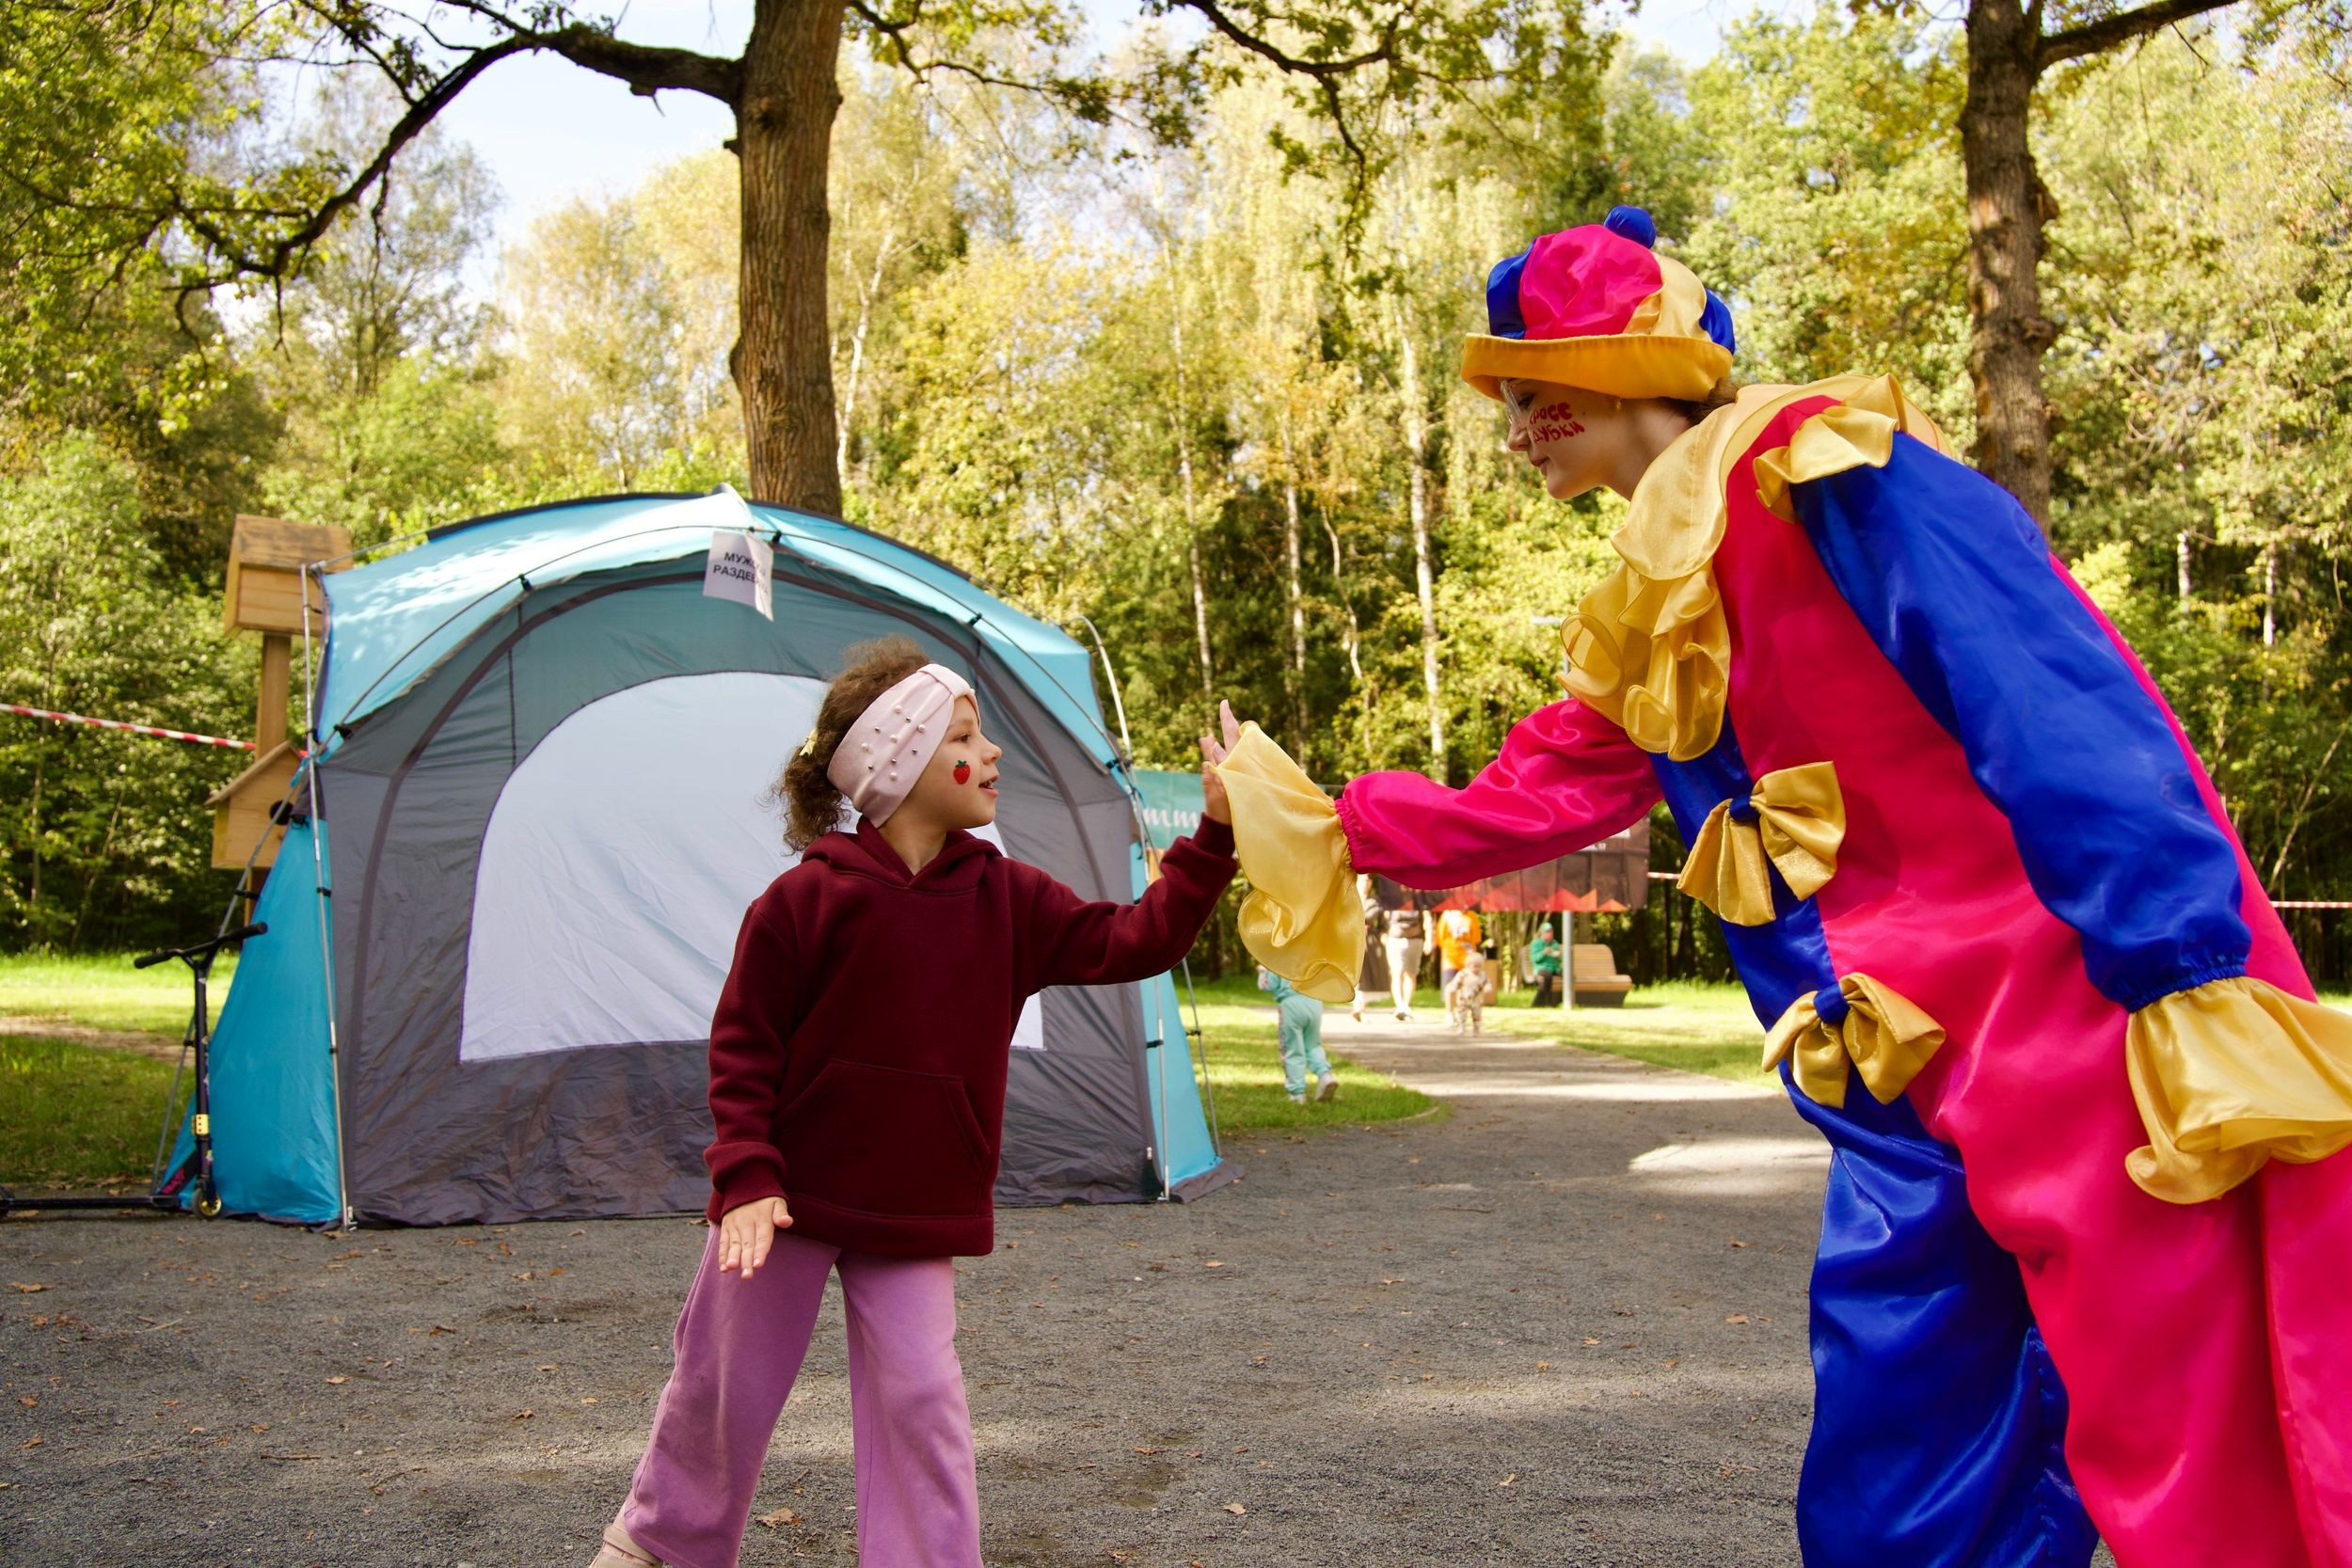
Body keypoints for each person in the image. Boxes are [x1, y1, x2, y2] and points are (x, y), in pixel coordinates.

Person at [1203, 207, 2352, 1567]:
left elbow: (2049, 695)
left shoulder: (1835, 472)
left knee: (2190, 1438)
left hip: (2072, 1022)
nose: (1514, 429)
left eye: (1533, 390)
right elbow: (1533, 795)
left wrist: (2179, 962)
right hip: (1887, 1079)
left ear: (1626, 365)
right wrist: (1305, 818)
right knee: (1893, 1465)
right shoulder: (1645, 599)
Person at [590, 638, 1236, 1568]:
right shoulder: (802, 901)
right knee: (721, 1383)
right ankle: (662, 1545)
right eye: (966, 736)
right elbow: (742, 1048)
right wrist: (746, 1173)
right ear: (897, 761)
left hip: (912, 1204)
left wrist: (1211, 835)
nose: (994, 753)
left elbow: (1136, 937)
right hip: (778, 1203)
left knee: (922, 1400)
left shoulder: (1006, 896)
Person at [1259, 966, 1339, 1103]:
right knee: (1313, 1045)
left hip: (1291, 1005)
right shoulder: (1312, 954)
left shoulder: (1278, 957)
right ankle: (1325, 1075)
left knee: (1292, 1048)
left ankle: (1297, 1093)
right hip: (1315, 1002)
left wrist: (1262, 971)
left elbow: (1267, 984)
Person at [1350, 873, 1390, 1023]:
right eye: (1363, 880)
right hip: (1353, 939)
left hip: (1369, 941)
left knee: (1367, 975)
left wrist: (1382, 935)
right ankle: (1357, 1006)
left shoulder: (1375, 902)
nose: (1365, 883)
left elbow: (1383, 923)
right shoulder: (1350, 898)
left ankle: (1360, 1008)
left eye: (1368, 880)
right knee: (1355, 974)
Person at [1379, 903, 1427, 1022]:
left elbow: (1427, 917)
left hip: (1415, 939)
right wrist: (1383, 932)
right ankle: (1400, 1006)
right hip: (1395, 938)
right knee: (1397, 972)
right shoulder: (1392, 897)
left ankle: (1406, 1005)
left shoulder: (1419, 898)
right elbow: (1384, 916)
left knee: (1411, 973)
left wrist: (1430, 937)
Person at [1434, 907, 1483, 994]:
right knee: (1450, 985)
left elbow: (1476, 938)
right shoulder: (1446, 915)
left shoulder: (1471, 916)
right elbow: (1440, 937)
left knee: (1467, 986)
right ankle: (1450, 1006)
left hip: (1468, 958)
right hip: (1450, 957)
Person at [1443, 951, 1487, 1037]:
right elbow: (1456, 982)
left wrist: (1487, 988)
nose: (1477, 969)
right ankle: (1461, 1027)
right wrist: (1454, 988)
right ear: (1468, 965)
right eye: (1475, 966)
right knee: (1462, 1013)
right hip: (1463, 998)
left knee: (1477, 1015)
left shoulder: (1482, 975)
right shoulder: (1463, 974)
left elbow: (1487, 983)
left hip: (1476, 999)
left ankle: (1476, 1029)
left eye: (1479, 967)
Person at [1527, 921, 1564, 1008]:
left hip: (1554, 968)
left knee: (1568, 975)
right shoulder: (1536, 943)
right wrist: (1543, 953)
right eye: (1548, 932)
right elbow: (1534, 959)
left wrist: (1558, 956)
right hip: (1541, 968)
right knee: (1547, 976)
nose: (1550, 934)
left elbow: (1560, 960)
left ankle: (1561, 1000)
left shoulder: (1554, 943)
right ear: (1542, 933)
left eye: (1551, 932)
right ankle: (1548, 1002)